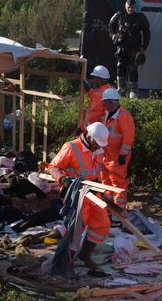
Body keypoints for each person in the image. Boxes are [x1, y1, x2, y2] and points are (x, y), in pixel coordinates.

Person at [47, 122, 110, 277]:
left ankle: (85, 254)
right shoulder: (71, 147)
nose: (98, 147)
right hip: (77, 195)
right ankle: (67, 264)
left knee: (102, 223)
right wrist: (62, 179)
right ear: (89, 136)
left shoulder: (97, 149)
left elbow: (97, 171)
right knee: (75, 231)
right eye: (97, 143)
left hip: (93, 193)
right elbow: (53, 167)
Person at [100, 88, 134, 222]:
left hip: (117, 157)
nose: (104, 104)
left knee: (118, 184)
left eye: (105, 102)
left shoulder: (124, 116)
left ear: (111, 102)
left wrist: (123, 154)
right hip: (106, 156)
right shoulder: (107, 113)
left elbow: (128, 137)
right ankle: (109, 210)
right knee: (106, 183)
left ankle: (118, 214)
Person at [109, 0, 150, 98]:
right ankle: (121, 88)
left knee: (133, 68)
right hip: (122, 48)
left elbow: (146, 32)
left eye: (132, 7)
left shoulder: (140, 17)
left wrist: (144, 46)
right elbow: (110, 26)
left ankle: (133, 90)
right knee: (120, 66)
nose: (130, 9)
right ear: (125, 6)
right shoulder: (119, 15)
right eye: (128, 7)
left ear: (135, 7)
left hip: (134, 49)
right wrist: (113, 35)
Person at [82, 65, 111, 131]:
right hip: (100, 128)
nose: (93, 80)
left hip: (92, 129)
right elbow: (95, 96)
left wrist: (84, 129)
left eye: (95, 78)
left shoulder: (99, 95)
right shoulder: (107, 89)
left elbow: (93, 115)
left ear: (100, 79)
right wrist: (89, 90)